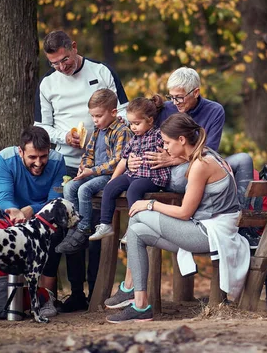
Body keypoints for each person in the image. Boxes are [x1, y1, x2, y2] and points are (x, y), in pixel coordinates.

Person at [103, 113, 251, 323]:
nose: (164, 148)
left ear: (182, 139)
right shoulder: (205, 155)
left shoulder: (201, 164)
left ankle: (130, 289)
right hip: (207, 228)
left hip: (211, 233)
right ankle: (140, 304)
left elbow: (184, 213)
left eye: (167, 142)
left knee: (139, 214)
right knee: (136, 231)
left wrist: (151, 204)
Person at [34, 30, 129, 312]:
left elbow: (123, 111)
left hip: (104, 162)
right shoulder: (48, 85)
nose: (62, 67)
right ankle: (76, 293)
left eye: (64, 59)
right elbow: (42, 127)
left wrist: (102, 133)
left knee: (98, 227)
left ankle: (98, 292)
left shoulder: (101, 72)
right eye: (55, 64)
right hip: (67, 164)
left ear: (73, 48)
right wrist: (66, 137)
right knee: (72, 227)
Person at [0, 125, 66, 317]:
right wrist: (14, 211)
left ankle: (47, 297)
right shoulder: (3, 160)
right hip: (8, 214)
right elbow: (3, 195)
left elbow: (54, 202)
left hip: (41, 216)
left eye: (43, 156)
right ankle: (0, 297)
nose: (39, 163)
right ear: (20, 151)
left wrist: (32, 209)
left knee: (54, 233)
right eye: (32, 157)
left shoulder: (58, 161)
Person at [55, 89, 133, 254]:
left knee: (85, 189)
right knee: (70, 187)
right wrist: (84, 167)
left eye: (98, 116)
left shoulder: (122, 131)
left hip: (110, 176)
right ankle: (74, 226)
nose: (95, 120)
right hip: (95, 173)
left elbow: (117, 162)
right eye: (92, 116)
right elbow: (88, 153)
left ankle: (84, 228)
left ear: (113, 112)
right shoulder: (98, 130)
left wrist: (91, 171)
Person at [129, 67, 226, 193]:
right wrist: (130, 159)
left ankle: (242, 211)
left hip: (199, 165)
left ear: (195, 92)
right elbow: (140, 132)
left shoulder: (215, 111)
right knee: (181, 178)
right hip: (164, 171)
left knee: (243, 159)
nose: (175, 103)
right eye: (171, 97)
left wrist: (175, 160)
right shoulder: (165, 109)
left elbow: (209, 151)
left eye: (179, 97)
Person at [89, 96, 171, 241]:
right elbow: (123, 161)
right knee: (110, 188)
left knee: (134, 189)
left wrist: (167, 155)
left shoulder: (159, 136)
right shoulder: (133, 139)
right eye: (131, 123)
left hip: (151, 177)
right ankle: (105, 224)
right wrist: (112, 180)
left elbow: (171, 151)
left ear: (150, 120)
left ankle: (133, 228)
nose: (133, 127)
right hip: (132, 174)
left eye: (137, 123)